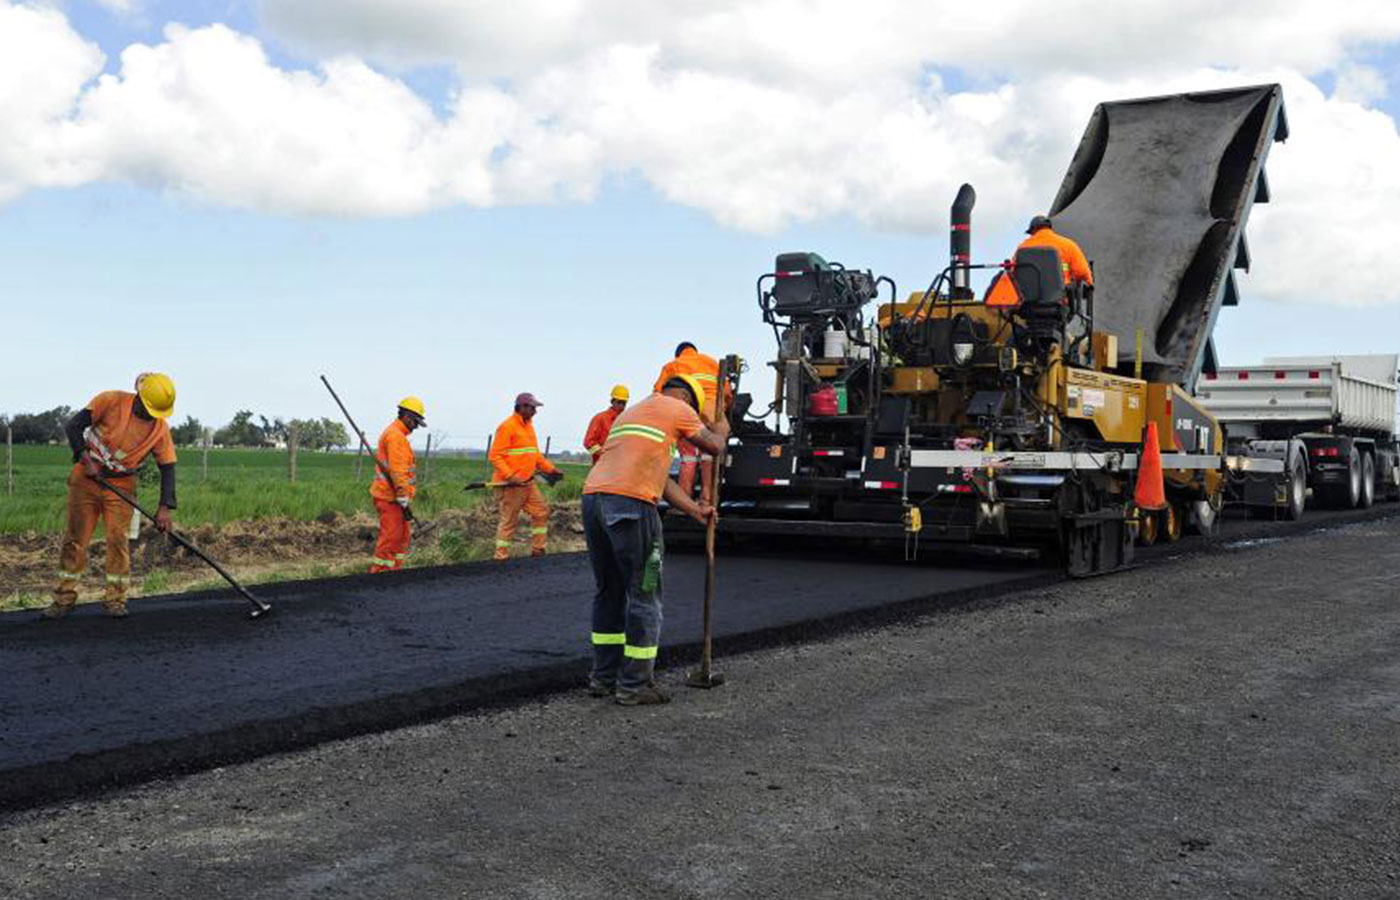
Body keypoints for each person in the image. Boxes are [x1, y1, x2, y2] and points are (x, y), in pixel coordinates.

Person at [582, 374, 729, 705]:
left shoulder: (633, 412)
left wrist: (694, 509)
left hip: (593, 501)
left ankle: (603, 679)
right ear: (687, 398)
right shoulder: (678, 408)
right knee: (645, 592)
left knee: (609, 591)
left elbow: (660, 479)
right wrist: (721, 426)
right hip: (631, 505)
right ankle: (635, 685)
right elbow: (714, 445)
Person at [42, 373, 178, 619]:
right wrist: (85, 459)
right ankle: (63, 598)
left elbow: (167, 467)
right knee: (75, 539)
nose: (152, 416)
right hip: (86, 478)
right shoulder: (110, 401)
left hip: (122, 485)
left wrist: (165, 507)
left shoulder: (160, 429)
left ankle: (115, 599)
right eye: (149, 410)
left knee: (118, 540)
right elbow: (73, 426)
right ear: (139, 397)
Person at [489, 392, 562, 560]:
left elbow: (535, 455)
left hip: (528, 483)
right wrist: (510, 476)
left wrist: (551, 469)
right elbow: (495, 456)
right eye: (532, 408)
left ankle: (538, 551)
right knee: (509, 520)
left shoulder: (529, 427)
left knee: (541, 512)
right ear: (521, 407)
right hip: (513, 485)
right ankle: (500, 557)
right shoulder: (507, 426)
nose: (535, 411)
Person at [653, 342, 724, 502]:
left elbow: (659, 393)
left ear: (679, 354)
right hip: (712, 410)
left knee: (688, 456)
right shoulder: (712, 362)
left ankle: (684, 498)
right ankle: (706, 498)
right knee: (708, 454)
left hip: (687, 409)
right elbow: (726, 391)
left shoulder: (674, 365)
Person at [369, 396, 425, 573]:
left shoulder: (398, 435)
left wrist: (404, 495)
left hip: (397, 497)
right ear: (407, 416)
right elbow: (398, 470)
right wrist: (402, 494)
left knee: (402, 537)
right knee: (391, 538)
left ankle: (395, 572)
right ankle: (379, 573)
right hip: (390, 497)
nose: (416, 426)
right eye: (415, 422)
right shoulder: (395, 436)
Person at [1018, 215, 1094, 286]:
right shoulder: (1068, 244)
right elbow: (1082, 272)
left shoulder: (1022, 248)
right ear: (1049, 228)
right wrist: (1090, 283)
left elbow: (1012, 275)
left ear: (1034, 230)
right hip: (1061, 297)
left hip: (1031, 298)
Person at [583, 385, 629, 464]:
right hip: (602, 466)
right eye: (619, 402)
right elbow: (588, 442)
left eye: (624, 403)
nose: (621, 406)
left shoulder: (626, 421)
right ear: (612, 401)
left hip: (620, 466)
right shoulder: (600, 418)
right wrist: (603, 454)